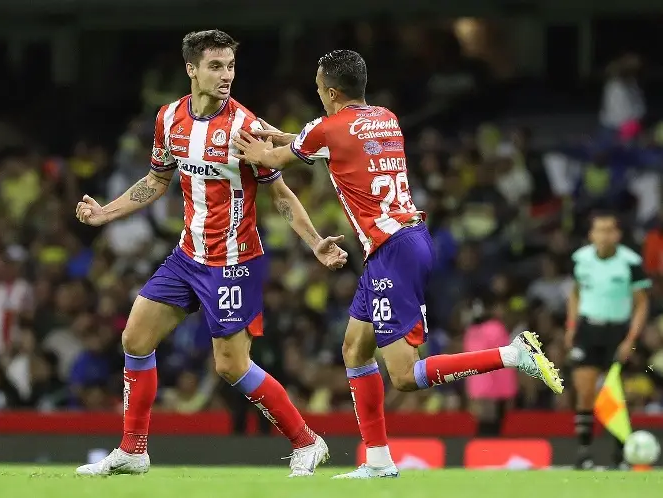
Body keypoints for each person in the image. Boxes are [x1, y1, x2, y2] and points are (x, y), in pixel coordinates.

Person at [233, 49, 564, 479]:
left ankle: (512, 353)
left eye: (318, 89)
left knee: (404, 376)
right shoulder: (385, 118)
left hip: (394, 251)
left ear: (331, 92)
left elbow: (276, 158)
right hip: (401, 243)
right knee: (354, 347)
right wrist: (276, 135)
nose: (317, 94)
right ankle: (378, 460)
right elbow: (312, 139)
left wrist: (250, 143)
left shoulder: (328, 129)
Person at [74, 30, 347, 477]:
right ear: (191, 70)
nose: (226, 76)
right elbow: (157, 181)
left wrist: (315, 241)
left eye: (231, 66)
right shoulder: (168, 120)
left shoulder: (244, 127)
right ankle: (133, 450)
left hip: (234, 263)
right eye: (216, 66)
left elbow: (279, 193)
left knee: (231, 367)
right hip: (187, 255)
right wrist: (106, 214)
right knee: (134, 339)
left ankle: (307, 441)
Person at [565, 212, 651, 469]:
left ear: (618, 234)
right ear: (591, 235)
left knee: (617, 393)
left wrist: (631, 339)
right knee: (585, 391)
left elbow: (642, 303)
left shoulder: (630, 262)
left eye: (609, 230)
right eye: (599, 230)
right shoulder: (580, 259)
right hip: (589, 329)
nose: (604, 236)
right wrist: (571, 325)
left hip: (618, 332)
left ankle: (621, 453)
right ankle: (584, 453)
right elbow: (575, 293)